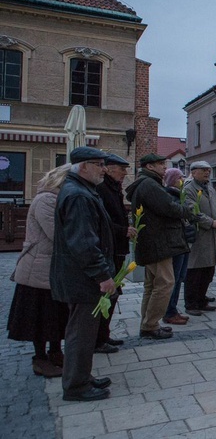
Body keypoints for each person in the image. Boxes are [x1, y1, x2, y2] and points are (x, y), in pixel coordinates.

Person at [50, 147, 115, 401]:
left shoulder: (82, 190)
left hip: (80, 276)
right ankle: (76, 386)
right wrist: (102, 275)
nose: (103, 169)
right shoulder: (78, 195)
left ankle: (82, 377)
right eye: (98, 164)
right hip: (82, 278)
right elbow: (84, 243)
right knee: (81, 332)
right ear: (83, 167)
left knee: (84, 332)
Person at [6, 164, 71, 378]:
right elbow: (56, 234)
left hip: (51, 267)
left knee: (55, 313)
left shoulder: (57, 199)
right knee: (39, 316)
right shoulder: (46, 200)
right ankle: (40, 358)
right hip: (38, 268)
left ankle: (55, 352)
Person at [125, 153, 194, 339]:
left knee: (152, 285)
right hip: (157, 242)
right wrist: (188, 212)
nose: (164, 167)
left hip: (152, 241)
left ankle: (148, 322)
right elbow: (169, 208)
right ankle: (150, 324)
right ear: (149, 167)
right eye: (160, 164)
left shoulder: (148, 183)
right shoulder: (149, 185)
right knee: (165, 283)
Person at [94, 154, 136, 353]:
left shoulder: (113, 189)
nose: (125, 173)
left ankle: (104, 335)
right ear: (110, 169)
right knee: (107, 295)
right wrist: (123, 230)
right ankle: (98, 339)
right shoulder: (102, 189)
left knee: (113, 294)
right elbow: (102, 221)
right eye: (122, 169)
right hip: (111, 247)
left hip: (118, 246)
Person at [182, 161, 216, 315]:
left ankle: (201, 300)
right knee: (195, 272)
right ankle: (191, 304)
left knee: (208, 271)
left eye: (208, 170)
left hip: (212, 235)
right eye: (203, 170)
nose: (207, 173)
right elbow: (192, 212)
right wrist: (211, 222)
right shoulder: (189, 189)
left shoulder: (211, 189)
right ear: (193, 173)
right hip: (199, 236)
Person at [162, 168, 194, 326]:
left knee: (180, 277)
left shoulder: (179, 195)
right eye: (180, 177)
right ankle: (169, 311)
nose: (182, 179)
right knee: (173, 279)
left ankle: (173, 309)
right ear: (173, 179)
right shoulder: (169, 196)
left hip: (183, 241)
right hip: (176, 242)